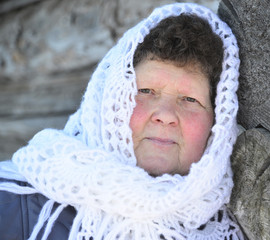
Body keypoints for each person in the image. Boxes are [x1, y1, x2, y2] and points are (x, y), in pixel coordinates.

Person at [0, 3, 244, 239]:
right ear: (110, 101)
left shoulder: (237, 225)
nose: (166, 114)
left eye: (190, 99)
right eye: (146, 91)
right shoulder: (11, 205)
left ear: (217, 125)